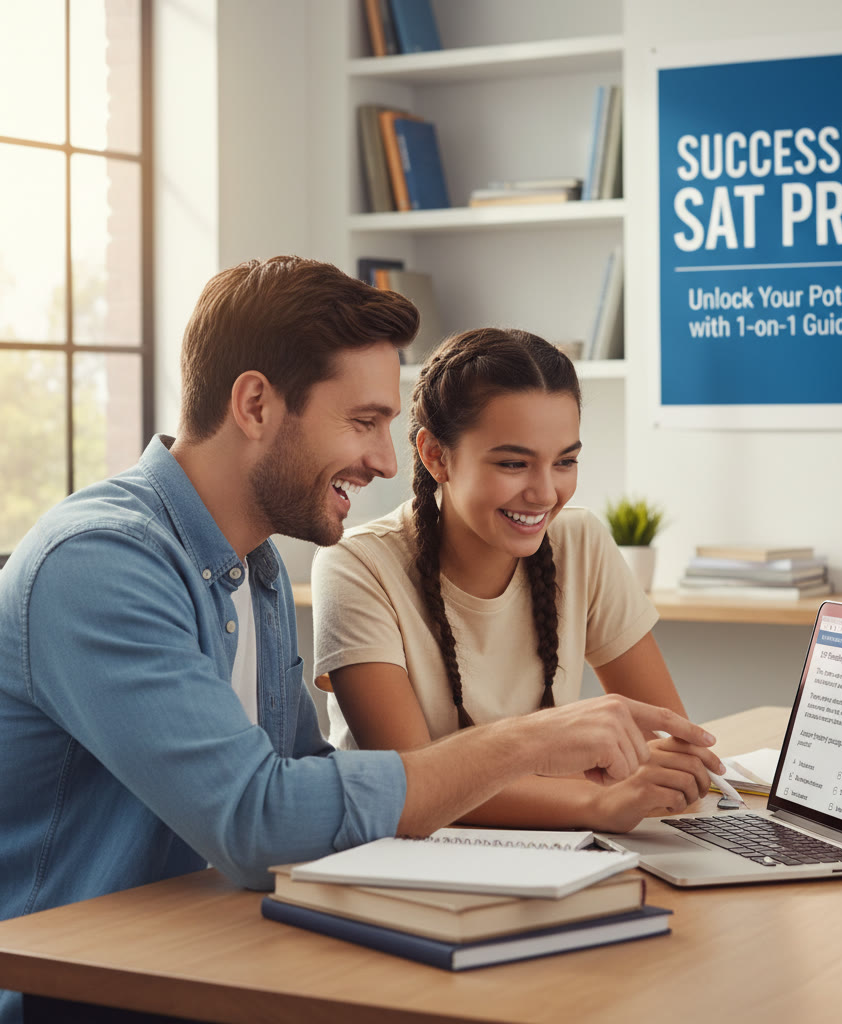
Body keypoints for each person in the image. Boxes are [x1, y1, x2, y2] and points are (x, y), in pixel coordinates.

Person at [0, 259, 724, 1024]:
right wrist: (527, 744)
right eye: (363, 421)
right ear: (255, 404)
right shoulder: (101, 563)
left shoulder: (255, 564)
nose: (386, 460)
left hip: (210, 954)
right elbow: (260, 822)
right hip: (77, 995)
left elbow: (313, 783)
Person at [312, 326, 720, 834]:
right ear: (436, 455)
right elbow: (408, 790)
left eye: (565, 461)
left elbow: (672, 750)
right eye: (513, 463)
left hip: (564, 856)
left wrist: (634, 786)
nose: (545, 493)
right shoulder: (356, 567)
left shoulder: (581, 541)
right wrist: (596, 799)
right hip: (413, 868)